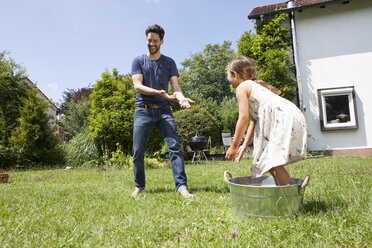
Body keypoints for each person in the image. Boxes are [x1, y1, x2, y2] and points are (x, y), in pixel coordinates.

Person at [130, 24, 194, 197]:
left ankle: (182, 187)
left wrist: (181, 98)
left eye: (155, 40)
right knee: (138, 152)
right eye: (149, 40)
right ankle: (139, 186)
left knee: (175, 148)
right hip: (142, 110)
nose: (152, 43)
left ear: (162, 42)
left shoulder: (169, 62)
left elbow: (176, 87)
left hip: (164, 110)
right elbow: (138, 86)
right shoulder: (138, 61)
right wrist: (158, 92)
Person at [225, 56, 307, 185]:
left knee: (273, 162)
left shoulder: (242, 87)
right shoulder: (255, 86)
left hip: (283, 116)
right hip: (291, 113)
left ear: (234, 75)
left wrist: (234, 146)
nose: (228, 80)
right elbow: (253, 121)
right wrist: (244, 145)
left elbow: (243, 118)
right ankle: (284, 196)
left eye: (228, 76)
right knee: (272, 163)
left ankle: (288, 200)